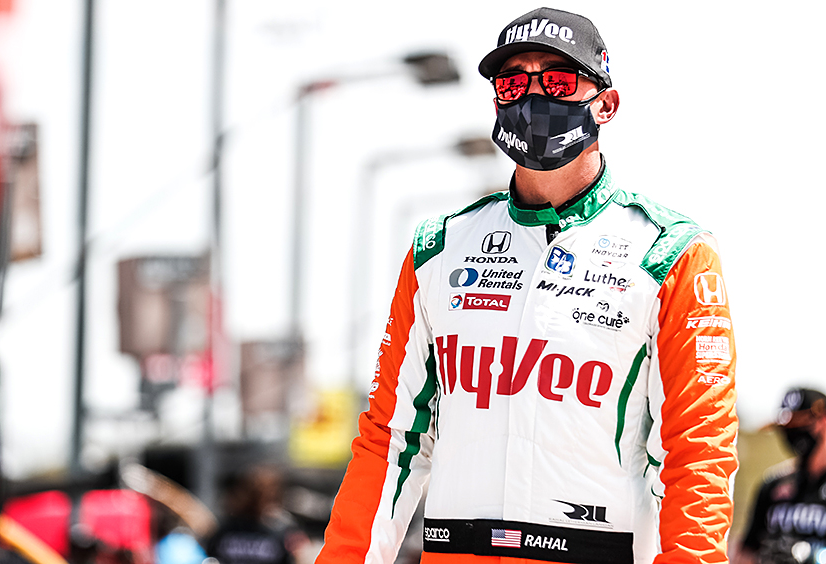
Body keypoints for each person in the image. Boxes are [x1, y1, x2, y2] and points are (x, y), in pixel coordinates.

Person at [315, 6, 738, 564]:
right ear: (496, 101)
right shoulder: (439, 247)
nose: (533, 99)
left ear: (606, 104)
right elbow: (391, 440)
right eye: (514, 83)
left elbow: (698, 453)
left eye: (559, 80)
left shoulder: (673, 253)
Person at [735, 388, 826, 564]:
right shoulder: (773, 485)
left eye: (800, 424)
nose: (792, 433)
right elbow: (746, 552)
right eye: (787, 427)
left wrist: (815, 556)